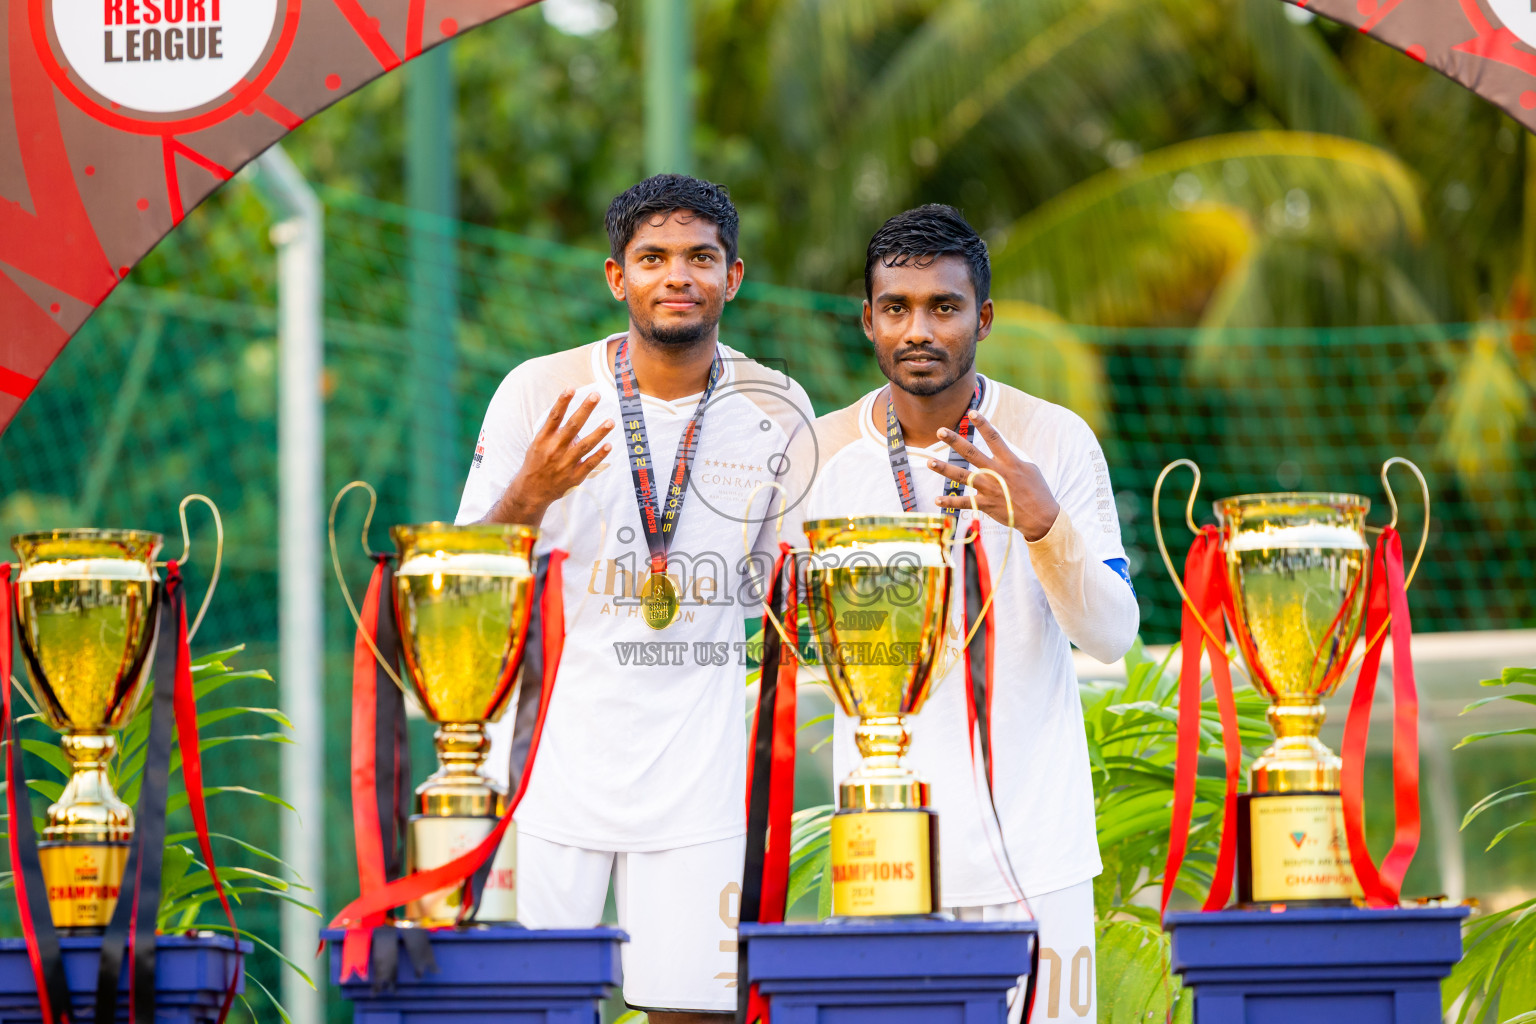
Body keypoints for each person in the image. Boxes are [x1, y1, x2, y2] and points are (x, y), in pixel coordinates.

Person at [457, 174, 813, 1023]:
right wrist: (529, 495)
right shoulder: (541, 392)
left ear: (734, 276)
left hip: (701, 778)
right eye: (652, 257)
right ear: (617, 277)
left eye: (700, 257)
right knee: (529, 1011)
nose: (676, 276)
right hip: (544, 771)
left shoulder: (779, 407)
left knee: (692, 1014)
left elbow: (786, 593)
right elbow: (466, 582)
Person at [775, 204, 1139, 1023]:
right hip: (884, 854)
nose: (920, 330)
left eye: (944, 307)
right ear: (868, 320)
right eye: (897, 308)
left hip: (1036, 852)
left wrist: (1044, 522)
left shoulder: (1054, 438)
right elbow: (789, 639)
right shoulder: (820, 458)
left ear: (984, 316)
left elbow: (1111, 634)